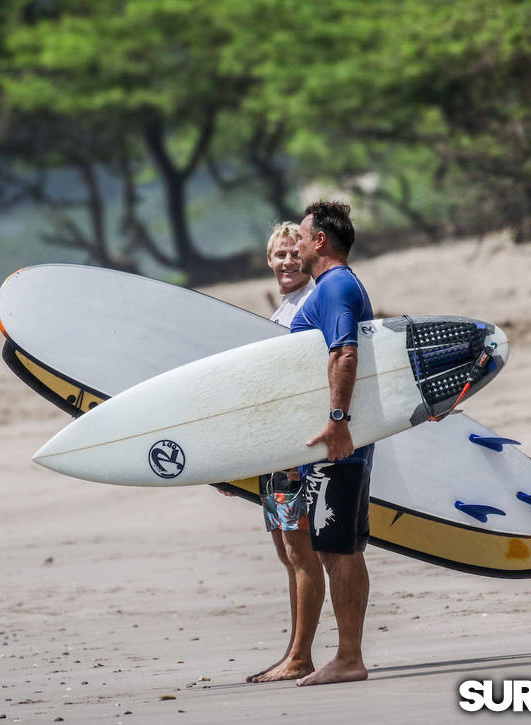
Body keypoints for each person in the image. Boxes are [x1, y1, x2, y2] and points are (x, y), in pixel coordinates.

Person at [290, 200, 373, 686]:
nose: (297, 246)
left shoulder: (336, 285)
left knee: (338, 549)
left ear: (320, 241)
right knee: (338, 548)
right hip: (339, 439)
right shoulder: (333, 286)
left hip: (338, 440)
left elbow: (345, 353)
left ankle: (348, 657)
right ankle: (348, 655)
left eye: (301, 238)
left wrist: (337, 422)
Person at [241, 222, 326, 684]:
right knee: (286, 552)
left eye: (295, 254)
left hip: (295, 450)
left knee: (300, 551)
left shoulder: (311, 304)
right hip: (272, 451)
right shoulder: (279, 313)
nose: (288, 262)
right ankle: (295, 651)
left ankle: (301, 655)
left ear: (308, 256)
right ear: (268, 261)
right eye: (280, 255)